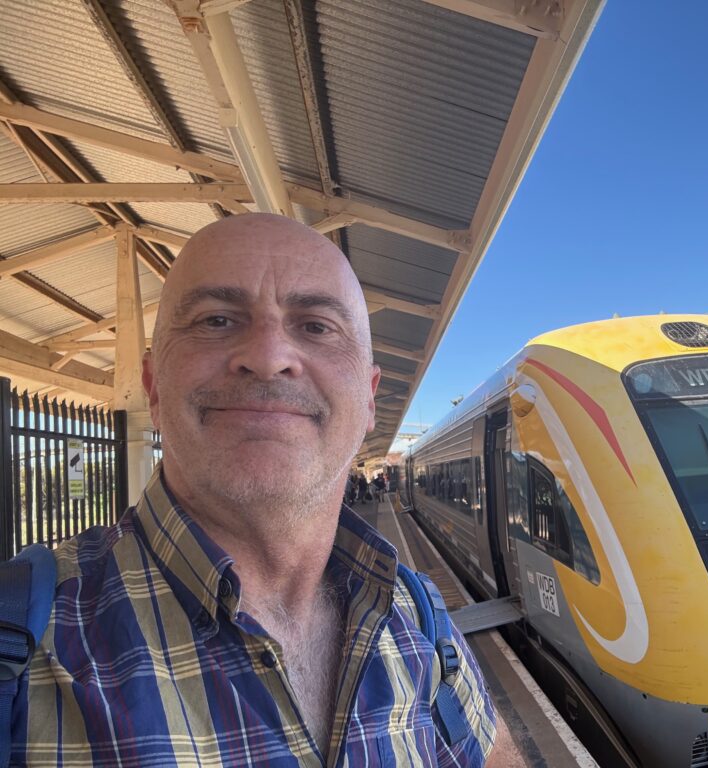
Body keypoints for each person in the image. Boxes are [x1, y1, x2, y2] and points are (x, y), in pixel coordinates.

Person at [13, 214, 497, 766]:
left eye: (316, 326)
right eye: (216, 320)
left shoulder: (422, 621)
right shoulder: (21, 652)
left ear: (368, 398)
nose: (268, 357)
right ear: (152, 384)